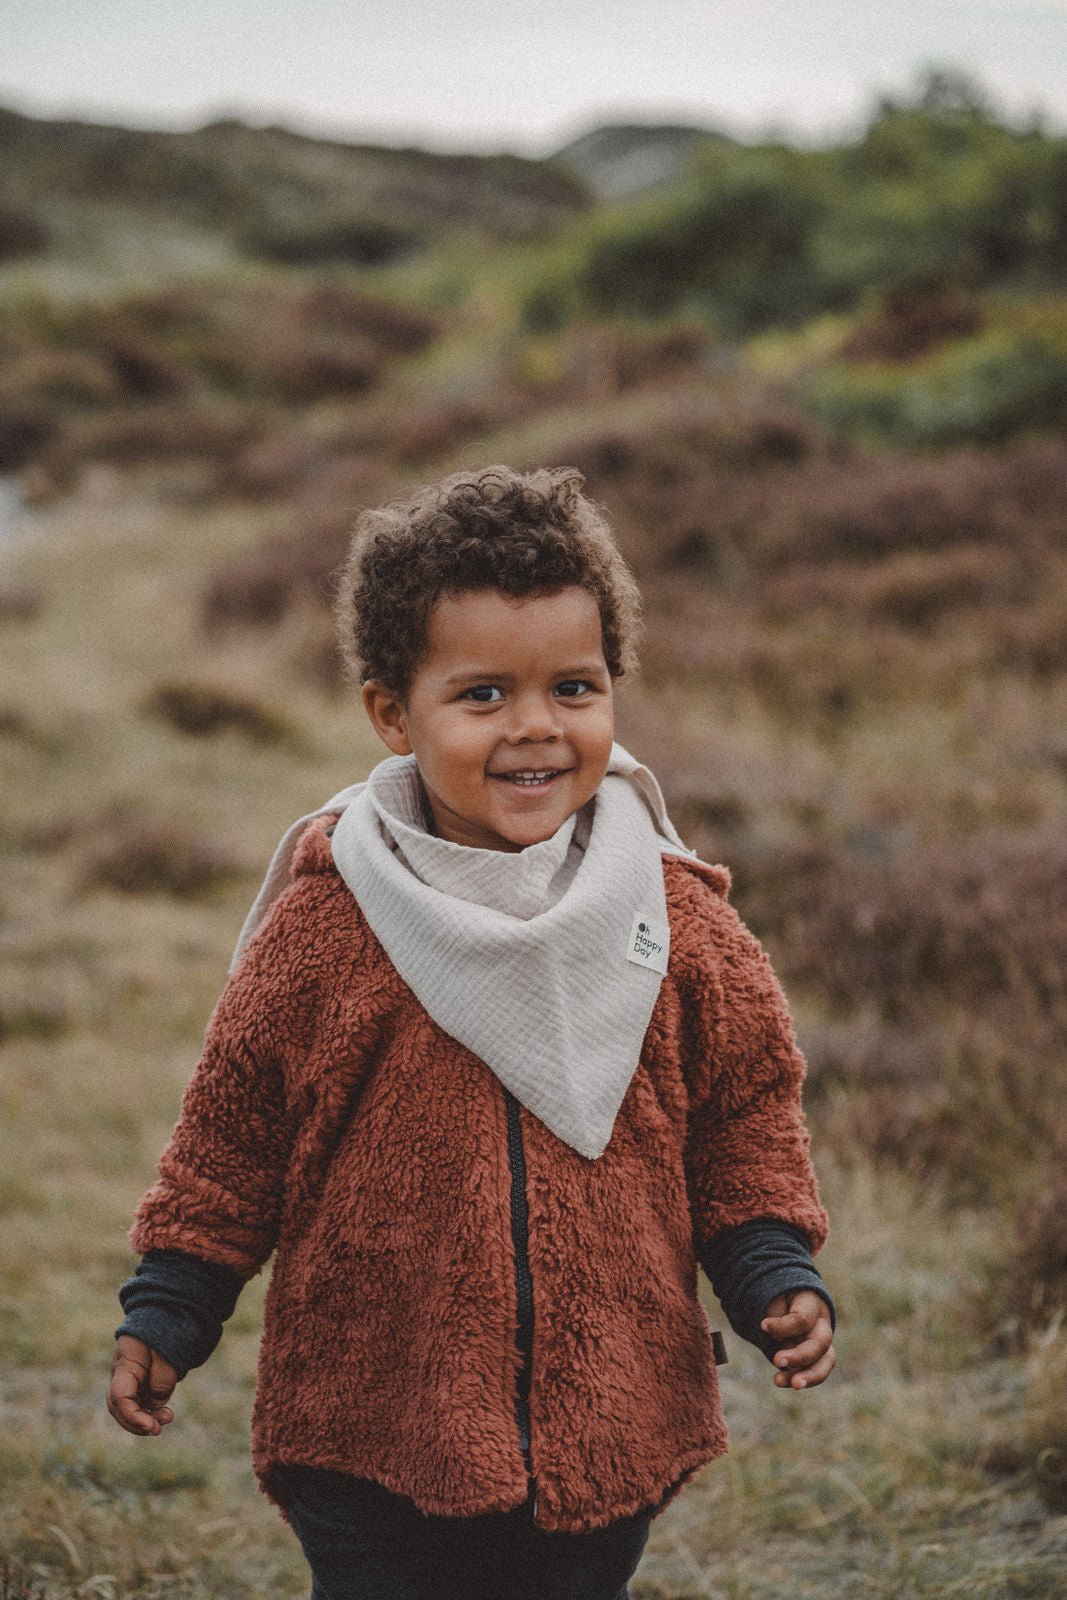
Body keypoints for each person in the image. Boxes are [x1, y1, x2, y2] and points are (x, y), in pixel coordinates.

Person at [107, 465, 835, 1600]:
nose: (535, 727)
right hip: (367, 1413)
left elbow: (742, 1108)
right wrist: (171, 1302)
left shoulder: (669, 910)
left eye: (575, 688)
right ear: (391, 711)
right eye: (482, 694)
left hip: (609, 1413)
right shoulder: (336, 918)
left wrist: (768, 1265)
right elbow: (231, 1131)